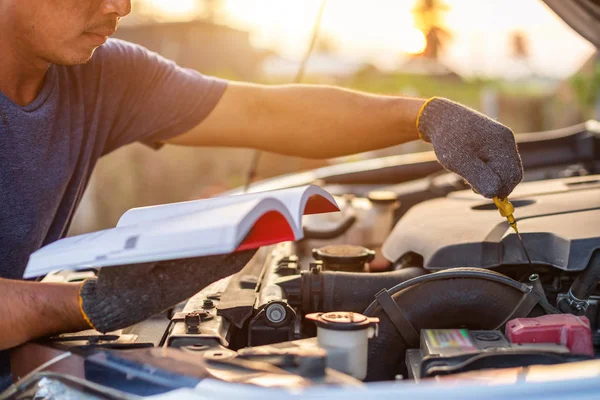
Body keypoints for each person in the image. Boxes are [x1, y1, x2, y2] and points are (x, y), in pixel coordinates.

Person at [0, 0, 523, 386]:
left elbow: (266, 112)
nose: (122, 7)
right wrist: (87, 304)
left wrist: (422, 117)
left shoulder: (103, 74)